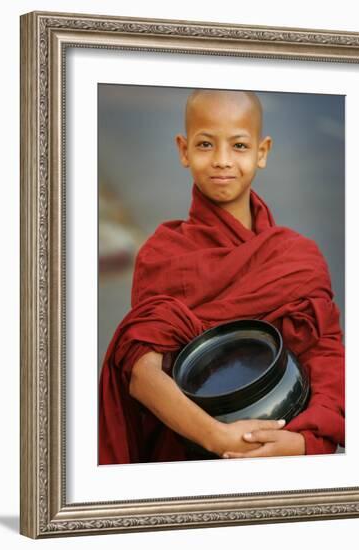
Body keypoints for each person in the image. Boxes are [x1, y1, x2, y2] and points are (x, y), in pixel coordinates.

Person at [99, 89, 345, 464]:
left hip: (284, 450)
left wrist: (306, 442)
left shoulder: (297, 257)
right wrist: (218, 437)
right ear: (184, 150)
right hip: (188, 454)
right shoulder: (163, 255)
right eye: (205, 144)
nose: (222, 161)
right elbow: (142, 374)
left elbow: (325, 356)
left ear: (262, 152)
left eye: (240, 146)